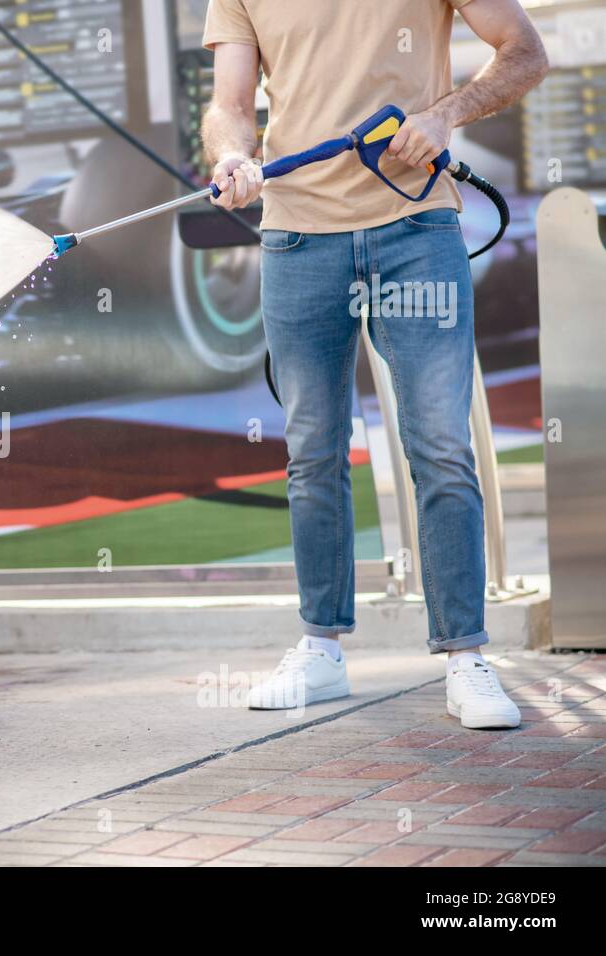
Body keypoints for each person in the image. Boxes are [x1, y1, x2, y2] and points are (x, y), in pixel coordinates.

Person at [201, 0, 548, 728]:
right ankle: (321, 651)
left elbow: (524, 51)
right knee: (312, 452)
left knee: (440, 444)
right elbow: (229, 105)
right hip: (297, 238)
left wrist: (444, 115)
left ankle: (465, 658)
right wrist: (232, 156)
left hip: (416, 226)